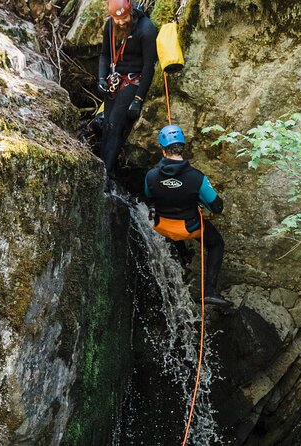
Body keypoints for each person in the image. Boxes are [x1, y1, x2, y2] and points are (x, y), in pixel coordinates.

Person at [145, 125, 233, 307]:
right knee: (216, 243)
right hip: (189, 228)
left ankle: (184, 256)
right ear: (182, 147)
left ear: (163, 150)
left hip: (163, 225)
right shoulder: (197, 178)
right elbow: (217, 207)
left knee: (173, 224)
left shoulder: (150, 176)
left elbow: (148, 195)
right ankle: (209, 291)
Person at [97, 0, 157, 177]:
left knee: (115, 124)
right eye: (117, 19)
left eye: (124, 18)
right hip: (114, 79)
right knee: (107, 125)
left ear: (130, 12)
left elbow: (148, 67)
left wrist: (138, 99)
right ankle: (104, 168)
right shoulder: (110, 25)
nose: (121, 22)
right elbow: (105, 55)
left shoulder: (146, 30)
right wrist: (101, 77)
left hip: (134, 81)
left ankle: (104, 174)